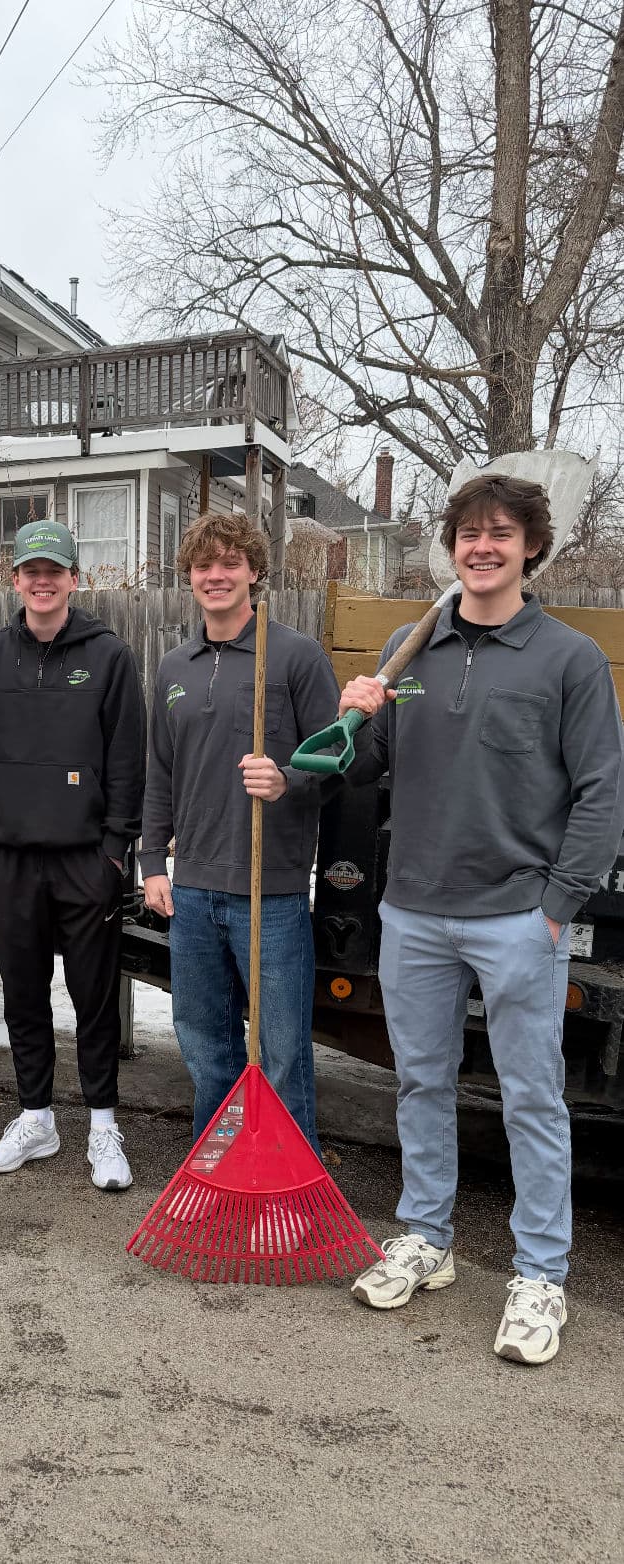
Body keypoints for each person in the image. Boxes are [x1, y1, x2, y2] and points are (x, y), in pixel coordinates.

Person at [340, 473, 624, 1364]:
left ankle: (540, 1274)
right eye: (468, 533)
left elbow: (600, 792)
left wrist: (555, 909)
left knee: (531, 1099)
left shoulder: (566, 657)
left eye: (501, 533)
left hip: (515, 918)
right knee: (420, 1083)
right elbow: (358, 772)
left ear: (530, 547)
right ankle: (425, 1239)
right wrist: (354, 719)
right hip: (414, 909)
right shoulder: (408, 645)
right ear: (451, 546)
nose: (483, 546)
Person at [0, 519, 145, 1191]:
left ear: (72, 579)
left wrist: (116, 852)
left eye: (53, 570)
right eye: (30, 569)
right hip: (11, 857)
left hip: (84, 856)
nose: (41, 580)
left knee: (92, 999)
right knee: (23, 997)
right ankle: (35, 1116)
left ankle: (101, 1125)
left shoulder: (109, 656)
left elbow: (125, 760)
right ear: (15, 579)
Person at [140, 511, 340, 1157]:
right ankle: (219, 1172)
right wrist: (150, 860)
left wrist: (287, 779)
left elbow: (339, 762)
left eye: (230, 562)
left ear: (255, 571)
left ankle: (285, 1186)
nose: (216, 575)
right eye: (204, 565)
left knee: (281, 1054)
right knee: (205, 1046)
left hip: (270, 891)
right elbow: (159, 772)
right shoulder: (175, 665)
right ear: (189, 577)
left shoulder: (294, 656)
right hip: (194, 888)